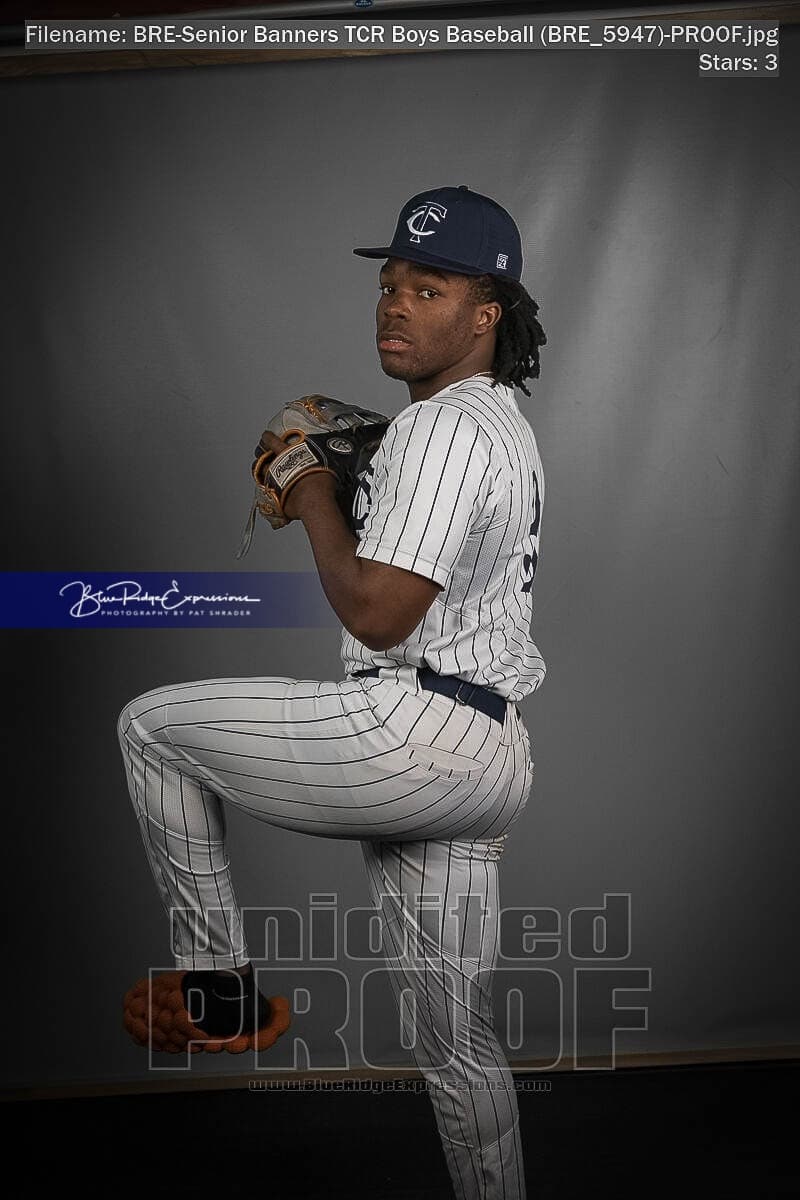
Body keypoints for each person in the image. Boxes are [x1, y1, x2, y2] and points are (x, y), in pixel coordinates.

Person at [117, 184, 547, 1200]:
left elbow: (379, 614)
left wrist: (313, 486)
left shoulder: (441, 429)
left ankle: (217, 990)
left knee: (152, 730)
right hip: (489, 752)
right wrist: (355, 479)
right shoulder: (500, 426)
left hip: (413, 732)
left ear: (485, 314)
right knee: (456, 1045)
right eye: (390, 284)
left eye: (430, 288)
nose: (395, 303)